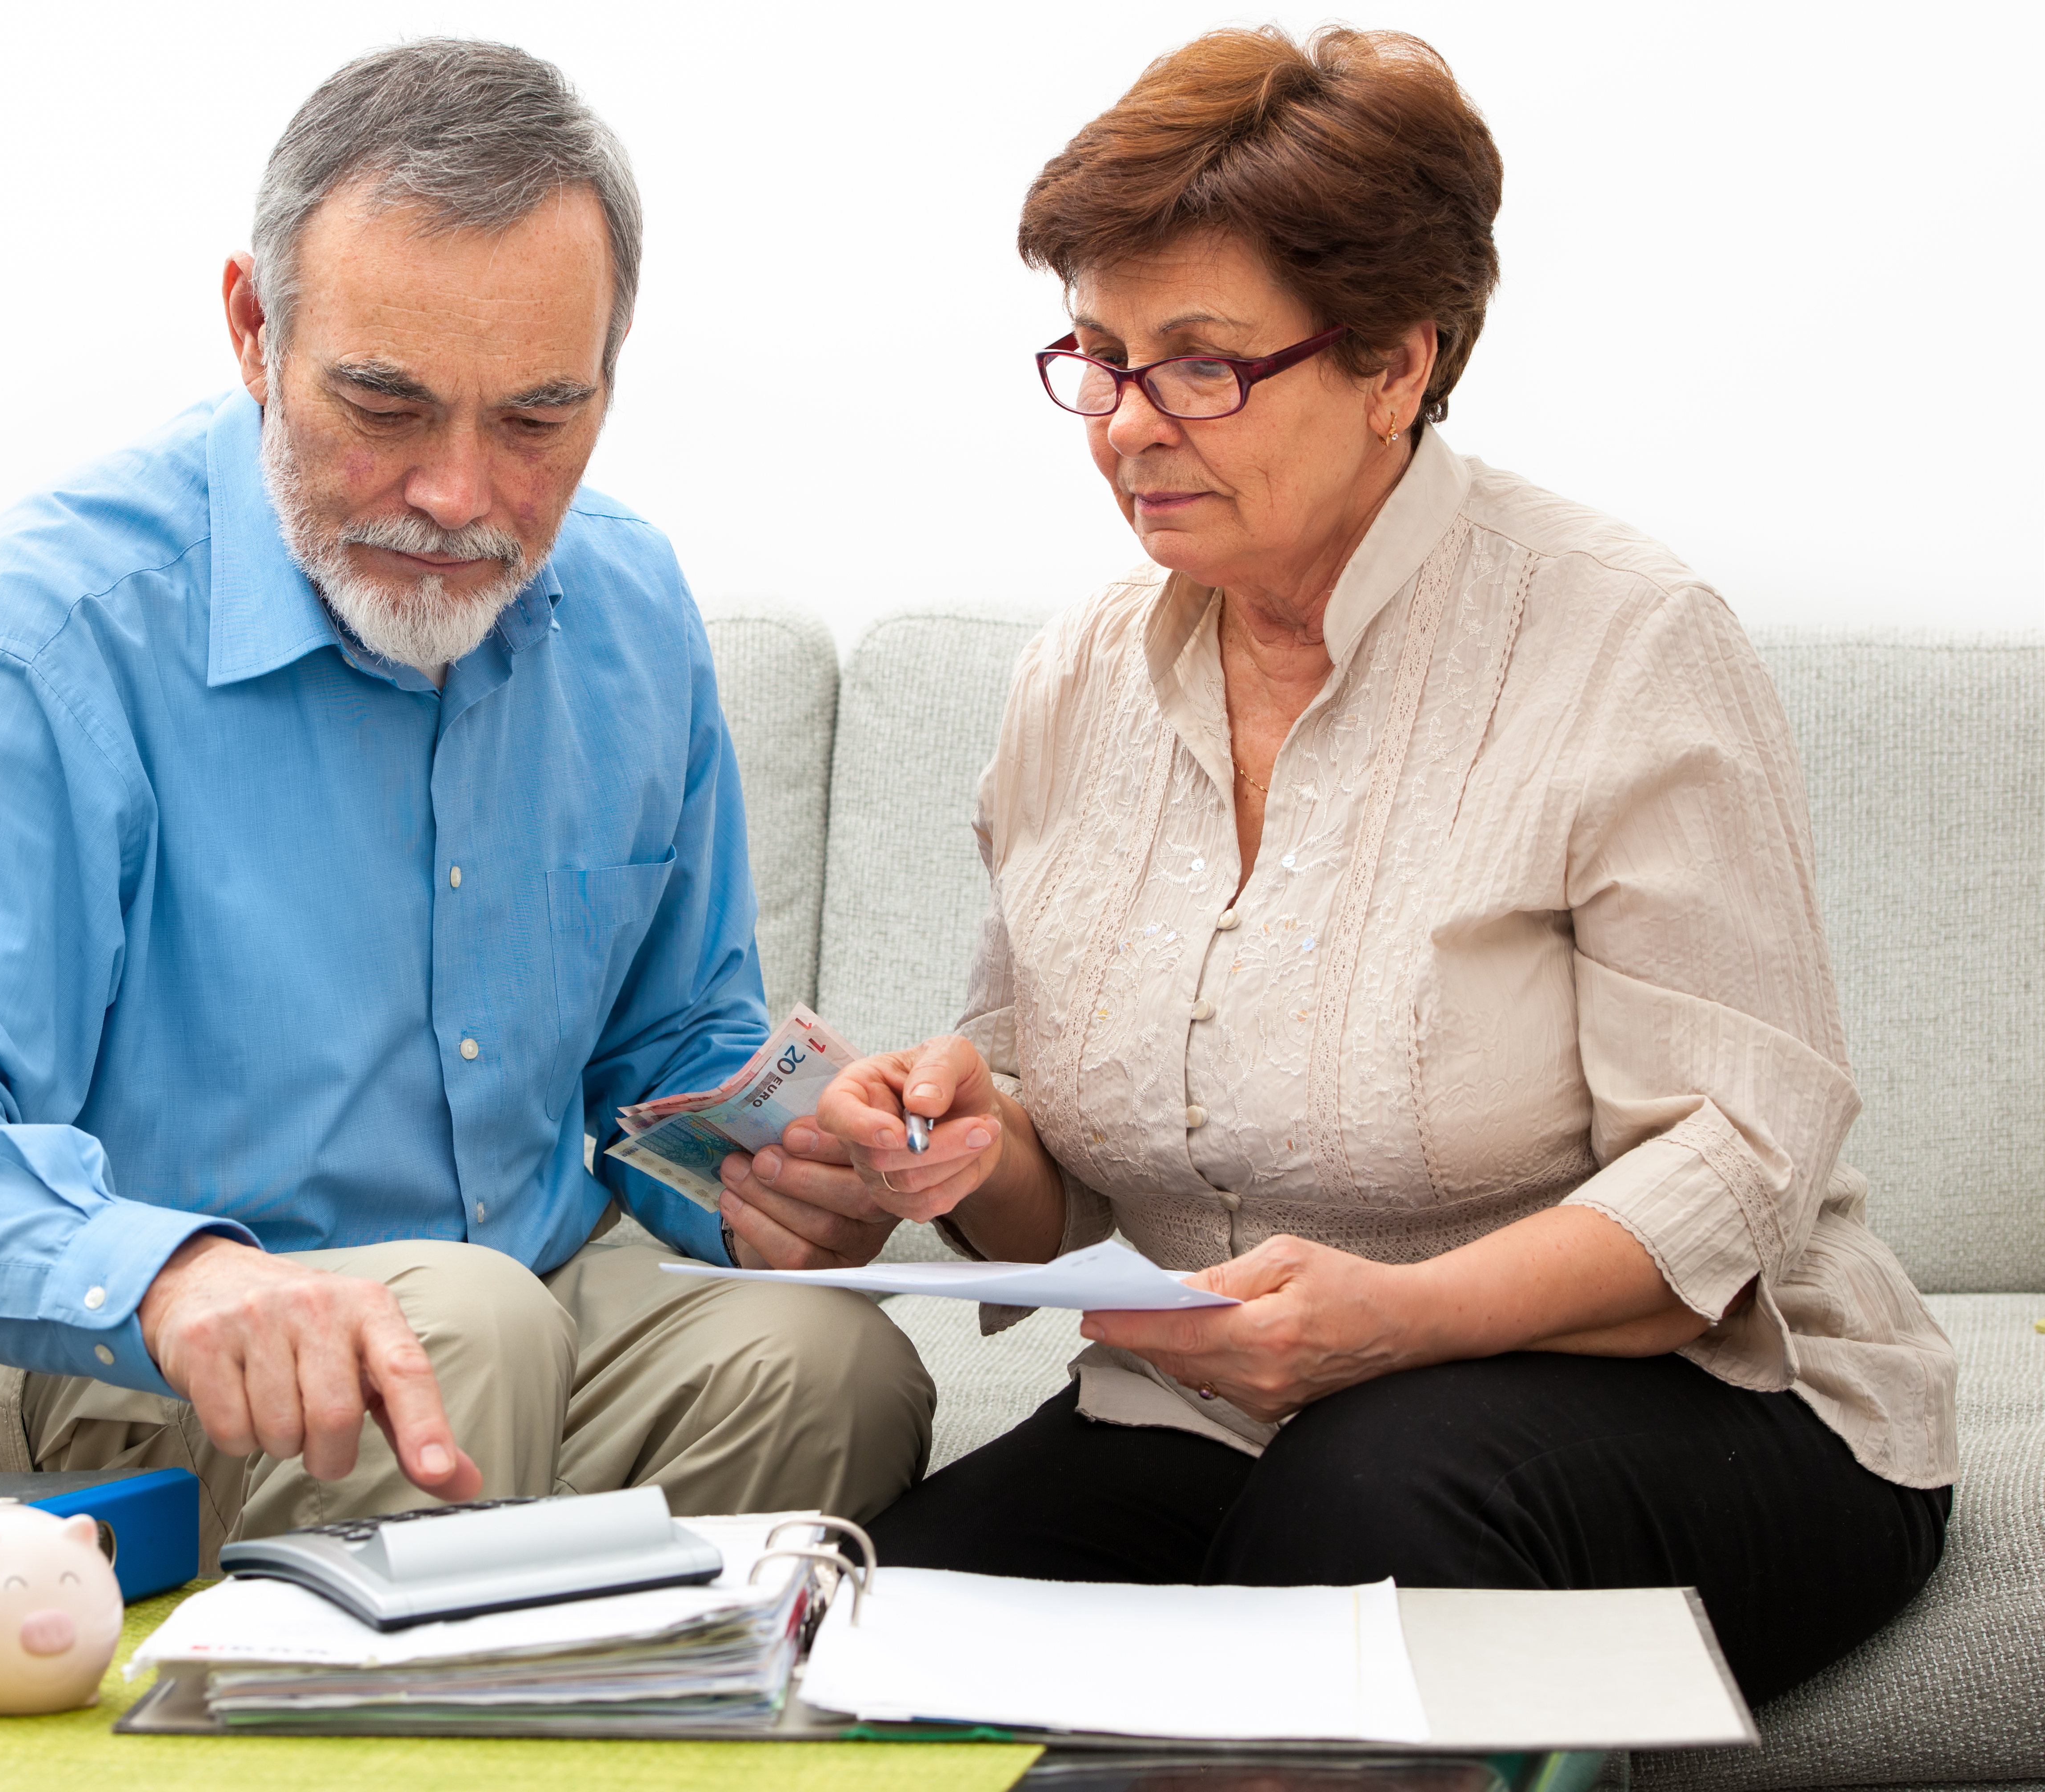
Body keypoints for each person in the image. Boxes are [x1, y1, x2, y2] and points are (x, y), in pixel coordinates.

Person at [712, 25, 1953, 1704]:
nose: (1130, 426)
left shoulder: (1625, 643)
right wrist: (961, 1135)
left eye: (1203, 365)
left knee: (1366, 1509)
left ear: (1392, 363)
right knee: (872, 1646)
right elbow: (1059, 1183)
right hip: (1236, 1408)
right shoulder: (1073, 682)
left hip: (1706, 1413)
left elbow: (1728, 1175)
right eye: (1100, 355)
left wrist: (1389, 1322)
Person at [0, 39, 929, 1564]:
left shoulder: (630, 608)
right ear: (255, 329)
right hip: (98, 1345)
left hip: (508, 1304)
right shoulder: (47, 636)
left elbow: (666, 1045)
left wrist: (782, 1166)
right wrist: (174, 1278)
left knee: (829, 1372)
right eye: (386, 406)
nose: (457, 494)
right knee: (454, 1333)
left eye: (535, 420)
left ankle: (578, 1716)